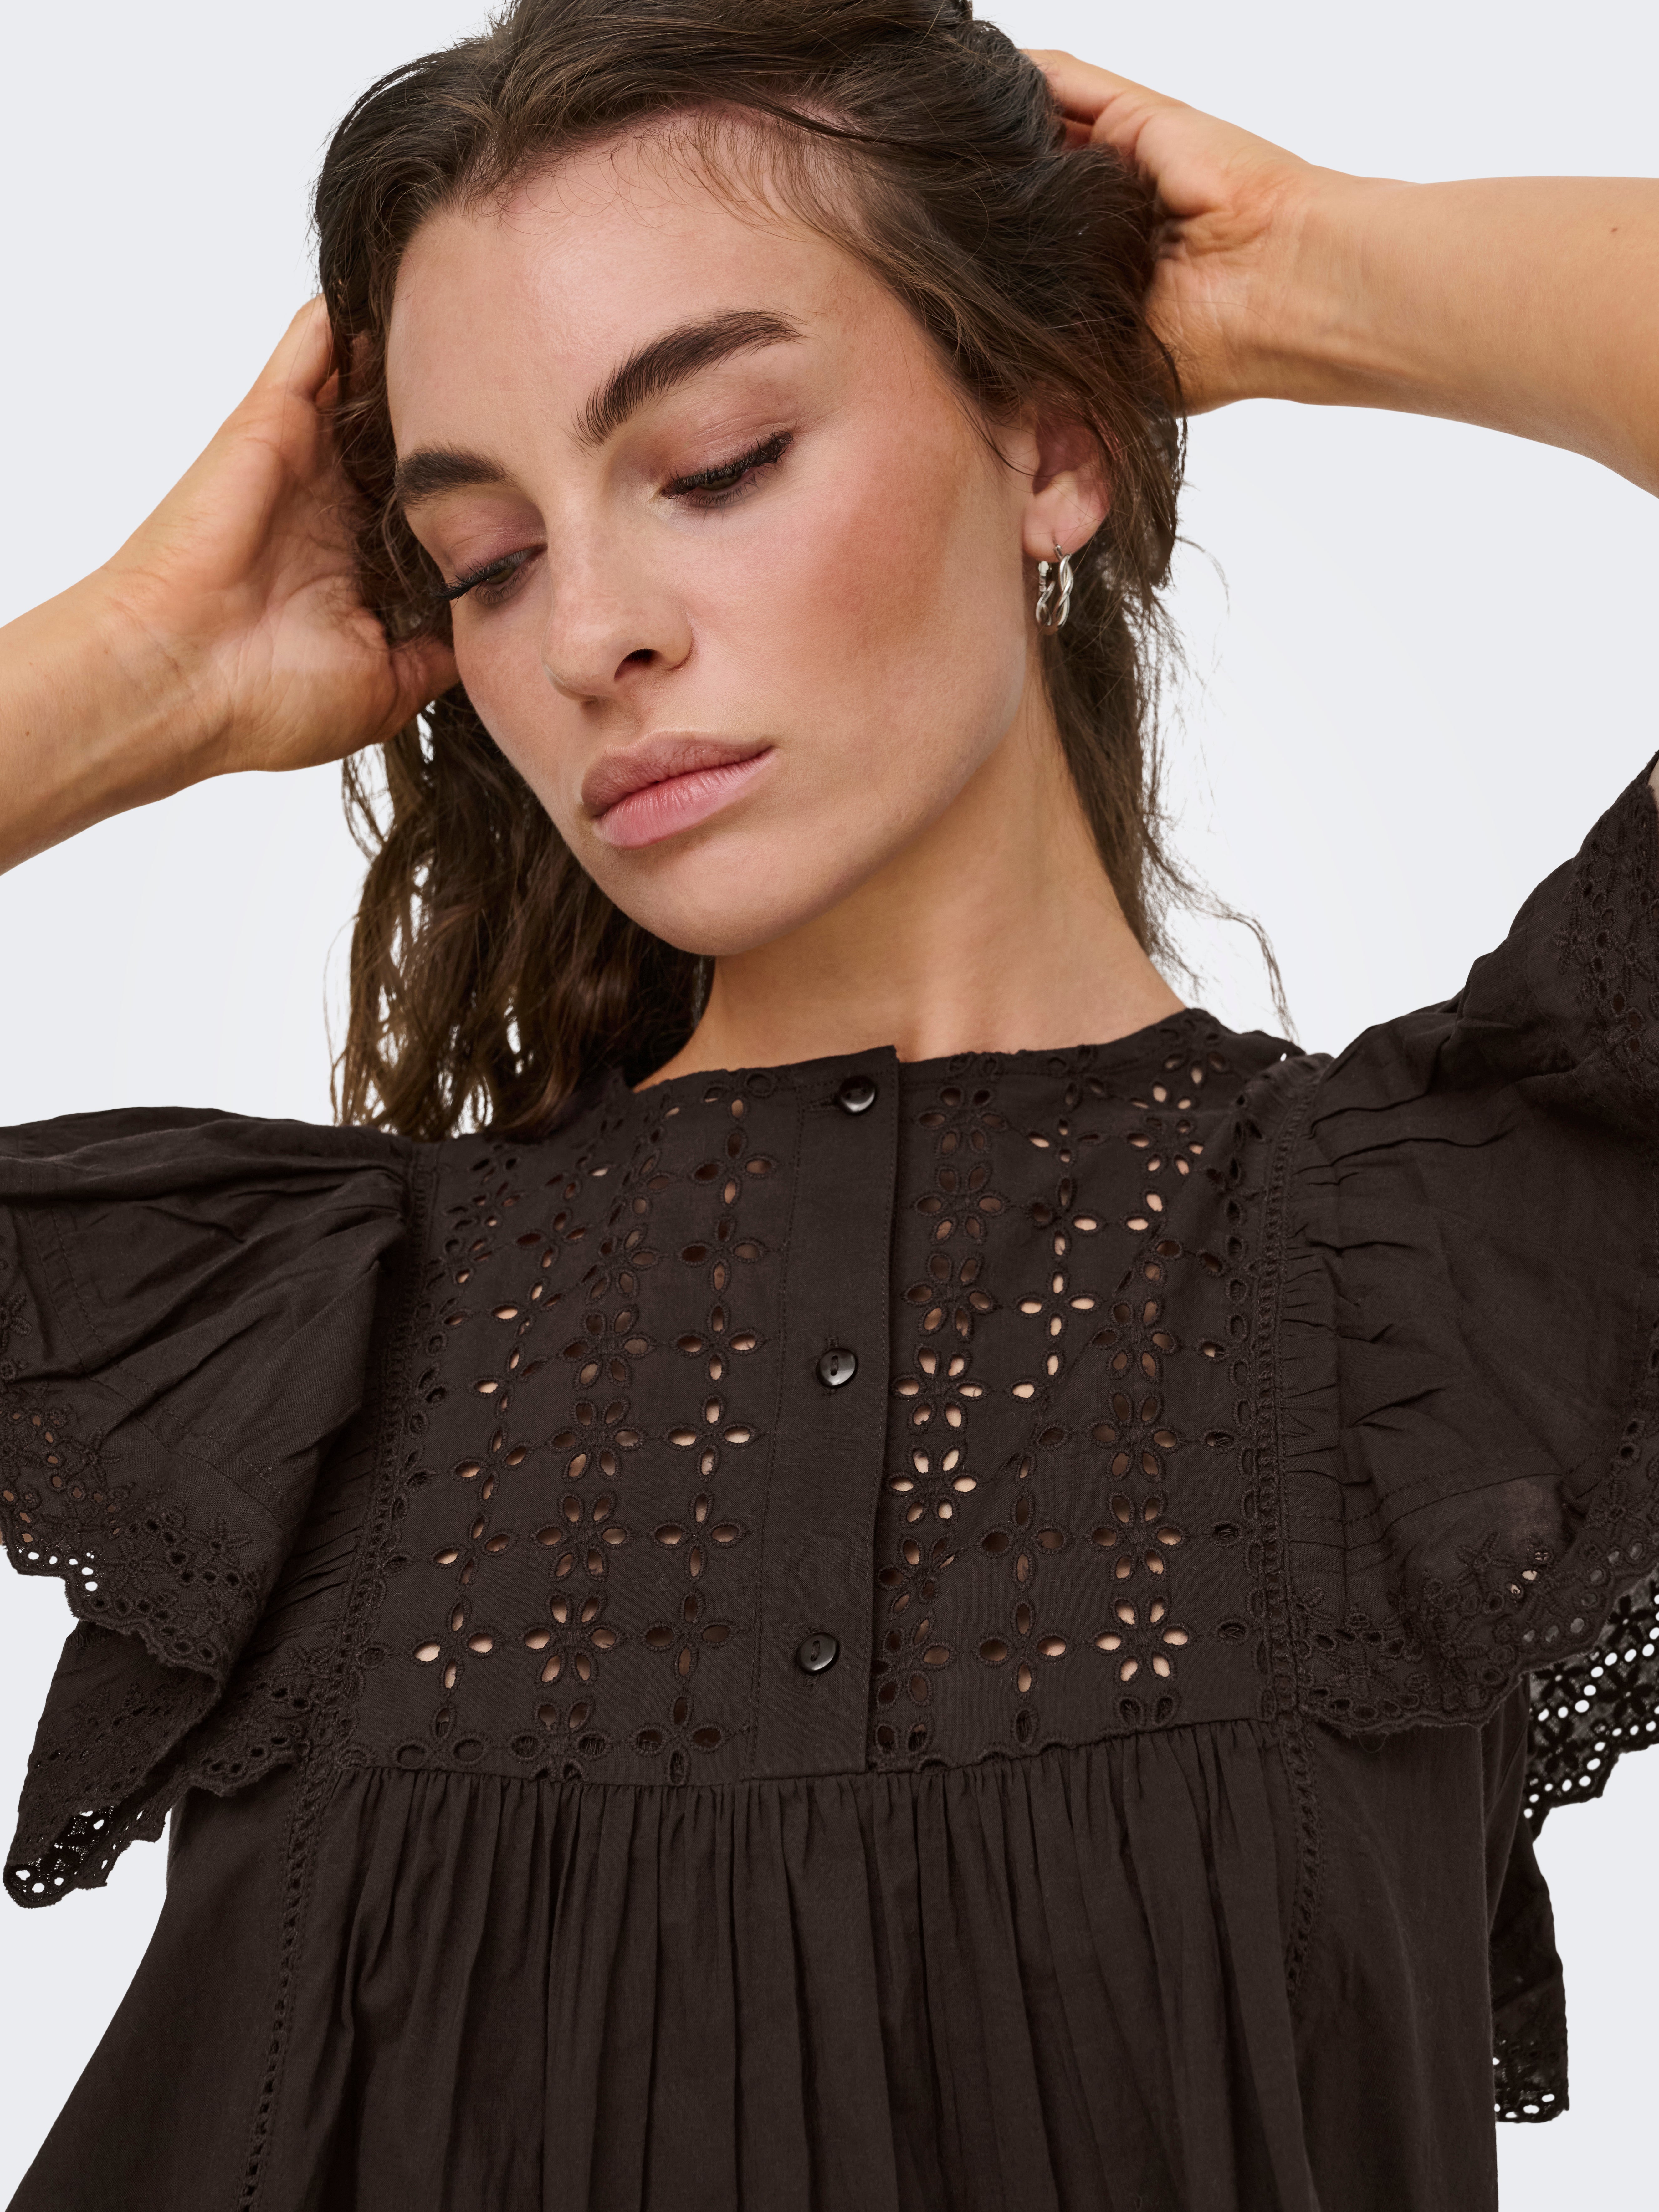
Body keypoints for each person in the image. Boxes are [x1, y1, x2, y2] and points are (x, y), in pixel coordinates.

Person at [0, 0, 1655, 2204]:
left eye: (713, 462)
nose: (583, 635)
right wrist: (139, 665)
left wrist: (1313, 276)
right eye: (484, 560)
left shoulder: (1440, 1267)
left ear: (1049, 439)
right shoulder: (297, 1343)